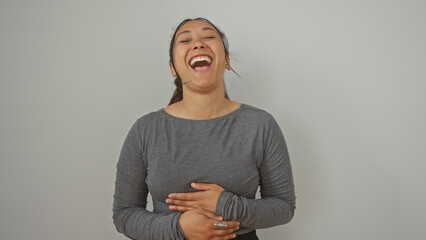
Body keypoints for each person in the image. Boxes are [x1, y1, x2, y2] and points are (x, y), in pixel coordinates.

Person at [112, 17, 296, 240]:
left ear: (226, 61)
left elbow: (284, 207)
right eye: (185, 40)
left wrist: (227, 205)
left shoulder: (261, 125)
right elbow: (124, 215)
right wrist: (178, 227)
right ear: (173, 68)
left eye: (209, 36)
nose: (198, 43)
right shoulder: (145, 130)